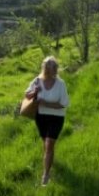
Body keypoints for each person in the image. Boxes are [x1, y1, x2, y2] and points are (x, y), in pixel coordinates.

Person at [25, 56, 70, 186]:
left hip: (56, 117)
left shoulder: (61, 84)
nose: (53, 70)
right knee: (46, 143)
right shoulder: (37, 80)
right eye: (50, 68)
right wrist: (34, 91)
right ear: (45, 69)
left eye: (55, 67)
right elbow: (27, 95)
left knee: (49, 143)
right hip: (41, 117)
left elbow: (63, 104)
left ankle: (46, 174)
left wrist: (45, 103)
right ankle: (49, 159)